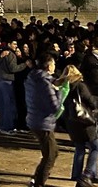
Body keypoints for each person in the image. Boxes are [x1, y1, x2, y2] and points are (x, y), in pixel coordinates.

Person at [58, 65, 98, 187]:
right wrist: (96, 108)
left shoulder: (63, 87)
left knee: (79, 148)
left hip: (71, 122)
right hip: (85, 121)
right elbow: (90, 100)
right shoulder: (80, 85)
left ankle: (77, 174)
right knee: (96, 148)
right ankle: (87, 174)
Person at [25, 53, 62, 187]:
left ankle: (37, 179)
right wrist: (59, 91)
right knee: (50, 155)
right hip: (42, 122)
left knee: (51, 152)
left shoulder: (33, 78)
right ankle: (39, 182)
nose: (54, 66)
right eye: (53, 64)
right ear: (48, 66)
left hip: (35, 119)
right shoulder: (45, 83)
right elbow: (54, 106)